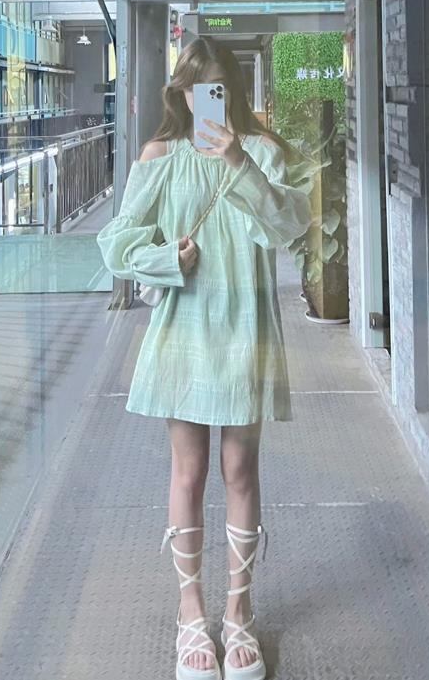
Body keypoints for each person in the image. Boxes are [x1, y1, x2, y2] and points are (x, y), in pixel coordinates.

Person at [97, 37, 311, 680]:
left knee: (240, 469)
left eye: (218, 87)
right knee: (187, 472)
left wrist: (240, 161)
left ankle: (239, 612)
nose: (206, 99)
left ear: (233, 92)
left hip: (245, 328)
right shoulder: (160, 156)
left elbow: (288, 226)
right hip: (184, 328)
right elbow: (116, 243)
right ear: (182, 93)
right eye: (196, 88)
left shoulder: (262, 153)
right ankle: (191, 614)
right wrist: (167, 259)